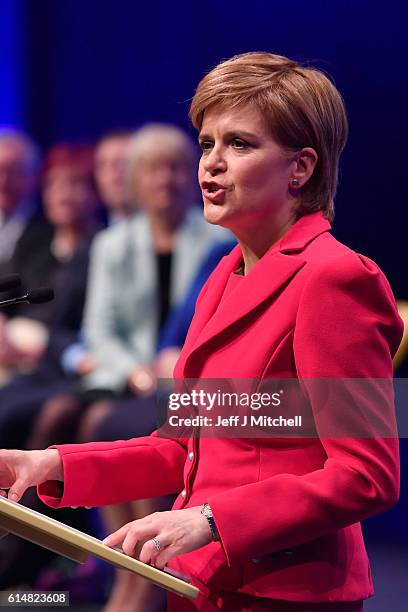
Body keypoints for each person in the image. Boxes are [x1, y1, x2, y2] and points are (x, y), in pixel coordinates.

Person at [0, 52, 403, 612]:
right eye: (207, 143)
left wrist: (213, 520)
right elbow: (182, 447)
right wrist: (53, 464)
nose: (211, 164)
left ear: (301, 168)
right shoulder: (223, 274)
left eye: (239, 144)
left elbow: (367, 475)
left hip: (283, 595)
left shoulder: (334, 279)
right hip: (198, 585)